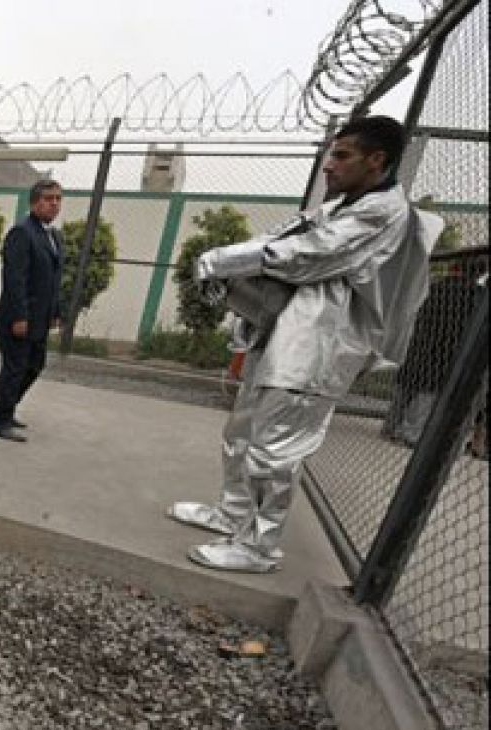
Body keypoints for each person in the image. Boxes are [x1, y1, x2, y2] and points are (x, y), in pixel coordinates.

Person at [168, 115, 443, 574]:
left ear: (377, 160)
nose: (328, 166)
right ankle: (232, 514)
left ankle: (259, 547)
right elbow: (282, 236)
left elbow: (308, 255)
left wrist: (223, 260)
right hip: (288, 334)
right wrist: (230, 265)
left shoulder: (381, 213)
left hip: (321, 347)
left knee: (275, 448)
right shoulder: (342, 205)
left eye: (341, 155)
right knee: (243, 430)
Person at [0, 179, 65, 443]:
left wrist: (55, 312)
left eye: (58, 199)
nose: (54, 203)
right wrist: (19, 317)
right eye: (48, 198)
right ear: (34, 202)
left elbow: (53, 279)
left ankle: (6, 410)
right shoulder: (22, 232)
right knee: (15, 368)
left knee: (35, 365)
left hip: (40, 319)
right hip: (20, 319)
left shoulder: (52, 235)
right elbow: (14, 279)